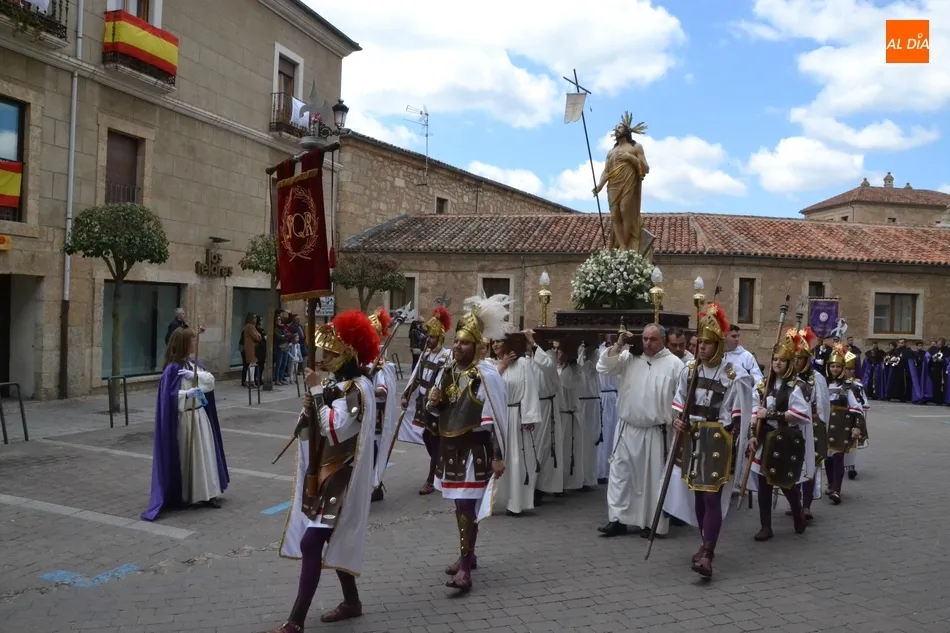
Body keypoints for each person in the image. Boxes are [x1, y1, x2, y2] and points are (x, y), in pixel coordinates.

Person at [271, 310, 380, 632]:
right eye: (324, 352)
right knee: (334, 538)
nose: (325, 358)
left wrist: (318, 394)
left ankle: (295, 621)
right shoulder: (337, 386)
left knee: (311, 544)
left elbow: (337, 431)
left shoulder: (358, 388)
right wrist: (308, 408)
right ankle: (352, 602)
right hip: (324, 473)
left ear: (348, 352)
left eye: (331, 352)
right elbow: (309, 432)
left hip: (342, 478)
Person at [427, 294, 509, 592]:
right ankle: (468, 555)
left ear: (476, 345)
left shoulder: (486, 376)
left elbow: (494, 420)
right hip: (451, 448)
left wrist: (498, 457)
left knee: (465, 505)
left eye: (463, 342)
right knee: (461, 507)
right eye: (456, 341)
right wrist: (434, 402)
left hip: (475, 450)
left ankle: (464, 569)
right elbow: (437, 409)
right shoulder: (448, 370)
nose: (457, 347)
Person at [667, 303, 753, 578]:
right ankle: (705, 543)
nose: (700, 347)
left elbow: (740, 414)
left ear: (718, 344)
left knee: (711, 496)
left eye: (706, 343)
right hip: (693, 440)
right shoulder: (689, 371)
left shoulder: (734, 375)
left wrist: (738, 441)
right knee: (699, 497)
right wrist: (677, 419)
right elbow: (680, 402)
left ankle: (707, 552)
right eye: (699, 342)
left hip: (718, 442)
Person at [596, 324, 683, 538]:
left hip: (656, 431)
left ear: (662, 340)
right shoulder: (628, 358)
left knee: (653, 480)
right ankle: (618, 519)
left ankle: (651, 522)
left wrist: (678, 419)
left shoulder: (674, 364)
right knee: (621, 475)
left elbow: (681, 398)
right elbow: (604, 368)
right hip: (627, 427)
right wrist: (619, 344)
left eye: (652, 339)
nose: (647, 343)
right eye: (644, 338)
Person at [142, 328, 230, 521]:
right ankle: (185, 495)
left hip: (199, 417)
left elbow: (211, 382)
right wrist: (185, 395)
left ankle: (207, 494)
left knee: (204, 456)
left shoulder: (194, 364)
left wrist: (196, 377)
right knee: (187, 458)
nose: (194, 344)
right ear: (183, 344)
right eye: (191, 341)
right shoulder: (172, 369)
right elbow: (167, 398)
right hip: (184, 419)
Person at [748, 329, 811, 540]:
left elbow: (800, 414)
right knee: (763, 483)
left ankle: (798, 514)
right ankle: (765, 526)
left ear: (790, 363)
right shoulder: (762, 386)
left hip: (785, 440)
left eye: (782, 360)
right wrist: (752, 435)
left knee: (786, 484)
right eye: (775, 359)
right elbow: (754, 413)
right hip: (765, 439)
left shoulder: (797, 387)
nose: (777, 363)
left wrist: (773, 413)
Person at [399, 308, 453, 495]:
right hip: (423, 402)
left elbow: (445, 381)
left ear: (440, 338)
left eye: (431, 337)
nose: (428, 340)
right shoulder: (426, 355)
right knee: (426, 438)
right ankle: (441, 465)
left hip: (436, 406)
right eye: (428, 337)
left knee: (435, 440)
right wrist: (406, 394)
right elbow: (416, 377)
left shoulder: (446, 356)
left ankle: (432, 478)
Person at [491, 334, 541, 516]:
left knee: (517, 460)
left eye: (499, 341)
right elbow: (487, 386)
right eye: (494, 341)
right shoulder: (491, 365)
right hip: (500, 418)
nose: (495, 344)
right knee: (499, 458)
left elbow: (530, 389)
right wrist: (502, 365)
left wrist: (529, 417)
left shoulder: (523, 364)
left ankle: (516, 503)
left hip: (517, 416)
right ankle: (494, 500)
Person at [524, 330, 565, 504]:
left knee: (544, 447)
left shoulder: (548, 355)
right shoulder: (530, 358)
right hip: (533, 406)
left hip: (546, 407)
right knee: (533, 447)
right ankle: (532, 485)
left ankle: (541, 486)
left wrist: (533, 344)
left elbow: (547, 367)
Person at [792, 327, 828, 522]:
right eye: (795, 358)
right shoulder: (789, 378)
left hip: (812, 428)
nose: (796, 362)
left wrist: (819, 423)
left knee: (810, 466)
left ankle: (806, 505)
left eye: (800, 358)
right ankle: (795, 502)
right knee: (795, 465)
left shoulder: (817, 379)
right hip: (794, 427)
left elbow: (823, 407)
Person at [823, 344, 864, 504]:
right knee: (828, 458)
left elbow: (856, 408)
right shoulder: (823, 385)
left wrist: (857, 426)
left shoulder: (848, 387)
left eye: (838, 366)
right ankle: (830, 483)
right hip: (826, 426)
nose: (834, 369)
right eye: (832, 366)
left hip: (841, 427)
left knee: (838, 456)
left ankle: (837, 490)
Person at [367, 307, 399, 503]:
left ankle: (374, 485)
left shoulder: (381, 366)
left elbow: (382, 391)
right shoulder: (366, 360)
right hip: (363, 415)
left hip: (375, 417)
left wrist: (362, 389)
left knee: (373, 451)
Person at [576, 342, 602, 490]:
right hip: (578, 402)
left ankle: (589, 478)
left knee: (590, 442)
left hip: (591, 403)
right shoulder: (578, 350)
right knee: (579, 441)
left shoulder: (596, 353)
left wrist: (587, 354)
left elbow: (590, 372)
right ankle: (578, 476)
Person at [597, 335, 619, 485]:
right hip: (604, 396)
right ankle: (601, 470)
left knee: (613, 434)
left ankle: (611, 469)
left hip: (614, 396)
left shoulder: (621, 351)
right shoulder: (601, 351)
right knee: (604, 434)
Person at [844, 352, 870, 480]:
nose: (849, 371)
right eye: (847, 368)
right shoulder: (837, 384)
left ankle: (851, 466)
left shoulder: (857, 385)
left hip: (854, 416)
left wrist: (862, 415)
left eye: (851, 369)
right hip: (841, 416)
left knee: (852, 441)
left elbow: (863, 401)